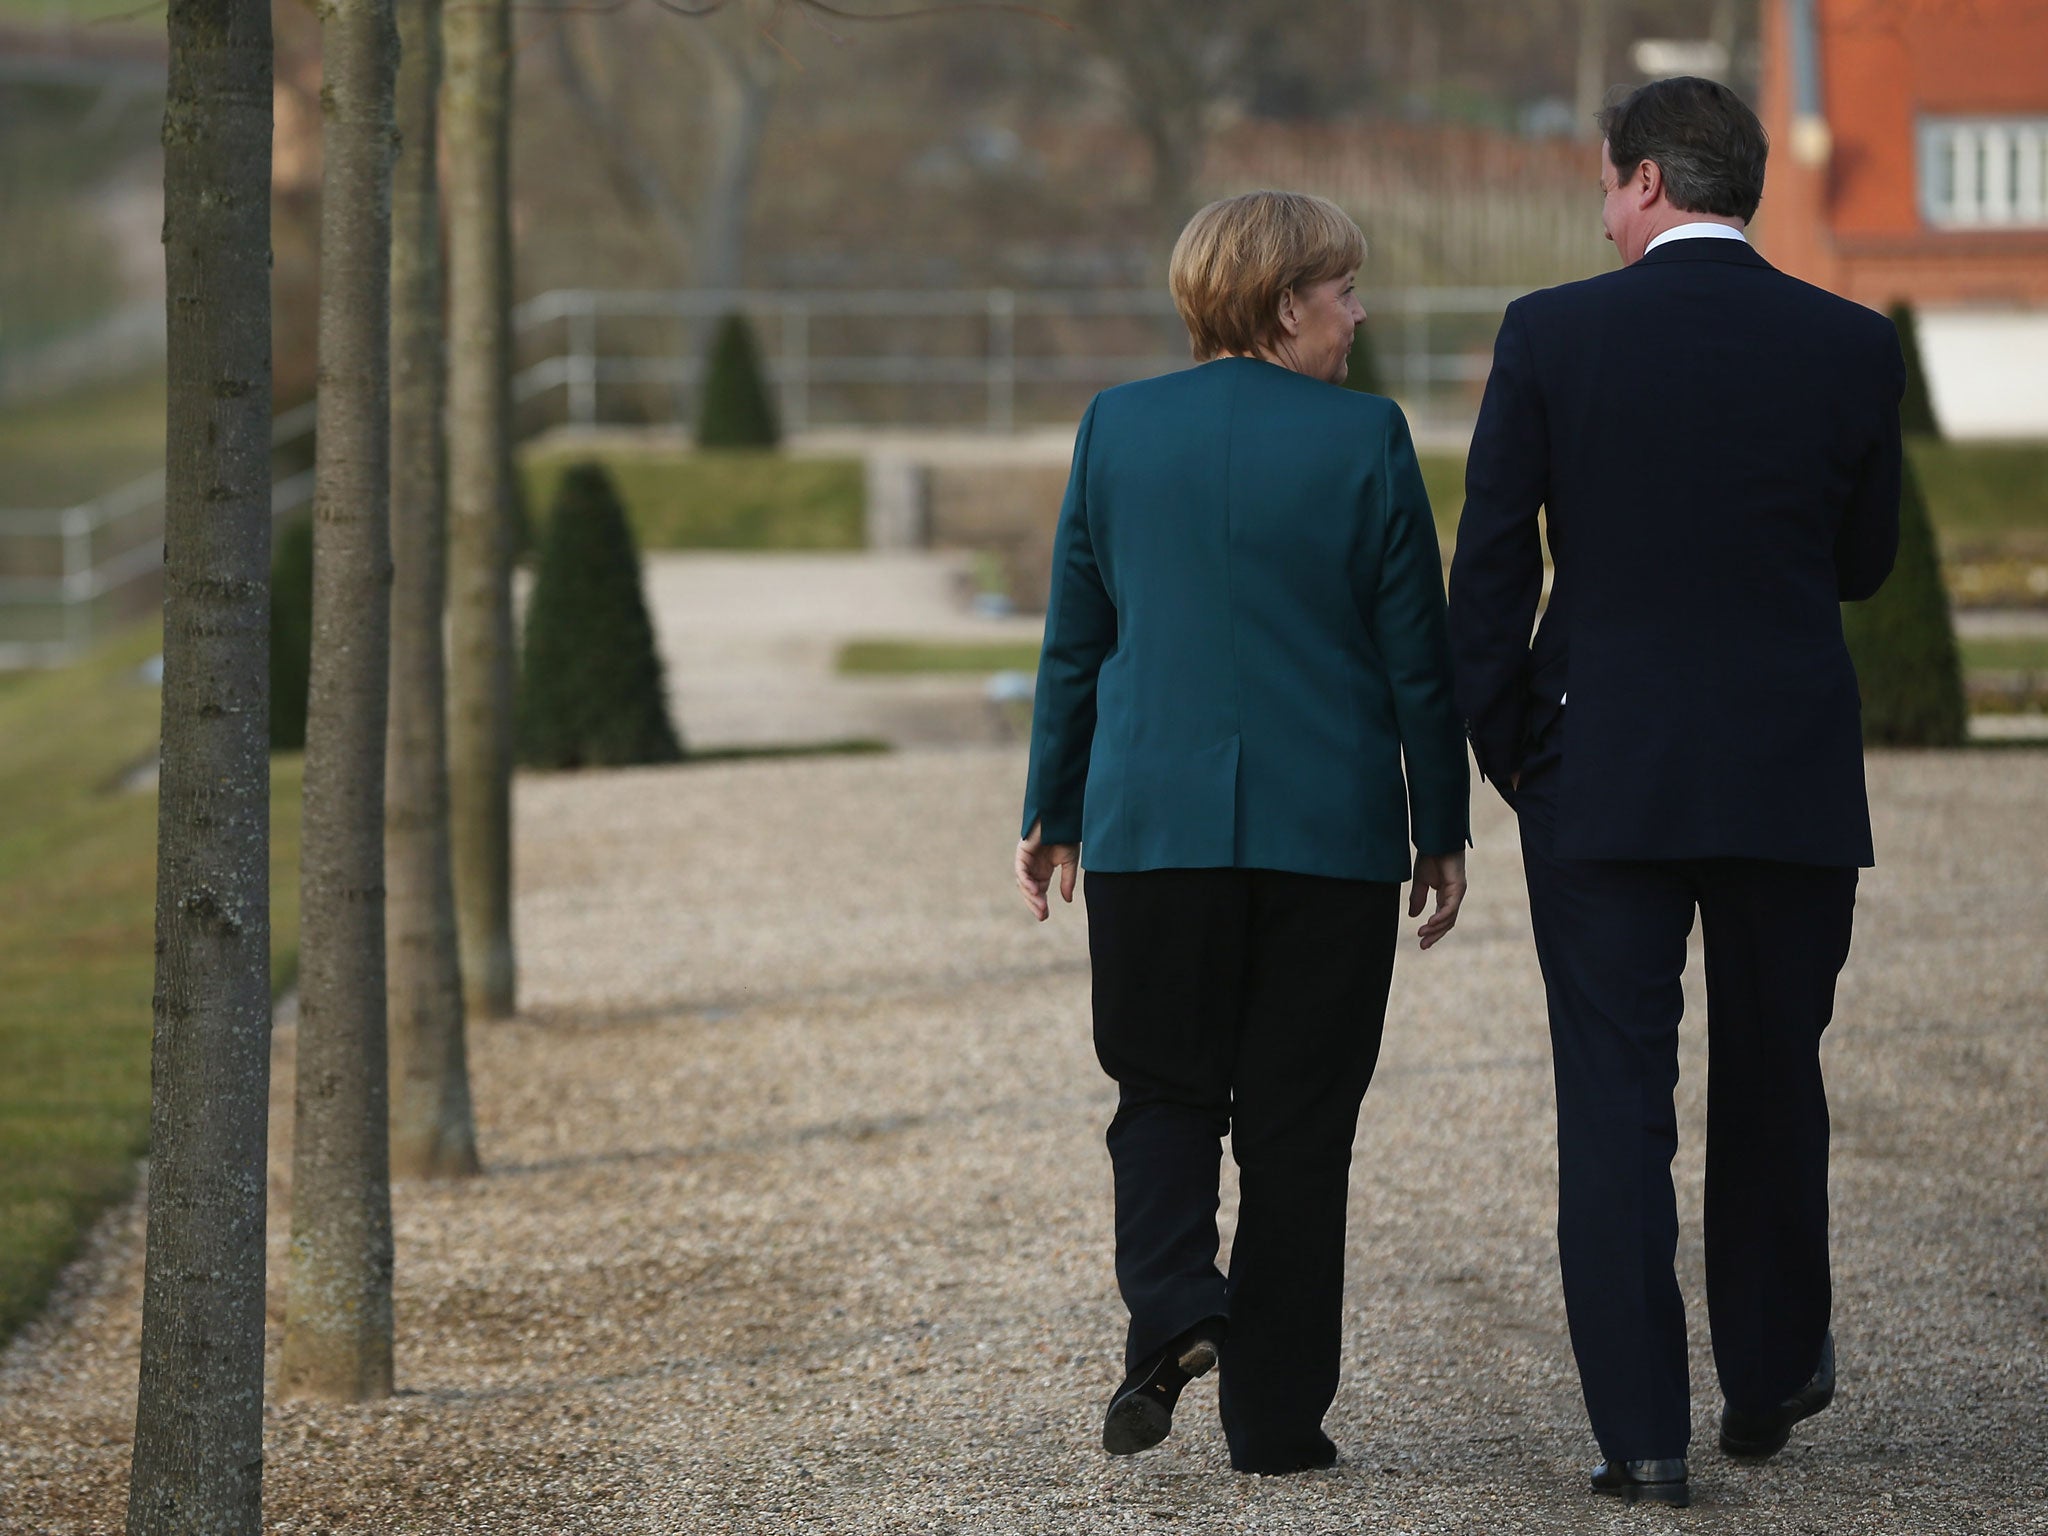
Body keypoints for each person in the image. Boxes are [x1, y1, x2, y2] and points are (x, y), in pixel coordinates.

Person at [1447, 77, 1903, 1509]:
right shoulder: (1851, 343)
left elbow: (1493, 565)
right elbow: (1866, 561)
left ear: (1644, 182)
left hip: (1601, 768)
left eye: (1603, 182)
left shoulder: (1553, 331)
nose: (1601, 205)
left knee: (1614, 1104)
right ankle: (1766, 1374)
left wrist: (1510, 745)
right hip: (1786, 767)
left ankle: (1643, 1434)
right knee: (1774, 1076)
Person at [1013, 190, 1470, 1476]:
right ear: (1284, 306)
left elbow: (1075, 644)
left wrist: (1051, 808)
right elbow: (1413, 662)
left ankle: (1175, 1308)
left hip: (1152, 826)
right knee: (1298, 1124)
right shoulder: (1368, 440)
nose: (1357, 314)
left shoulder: (1113, 427)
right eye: (1342, 292)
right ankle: (1273, 1420)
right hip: (1323, 836)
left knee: (1158, 1089)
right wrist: (1440, 824)